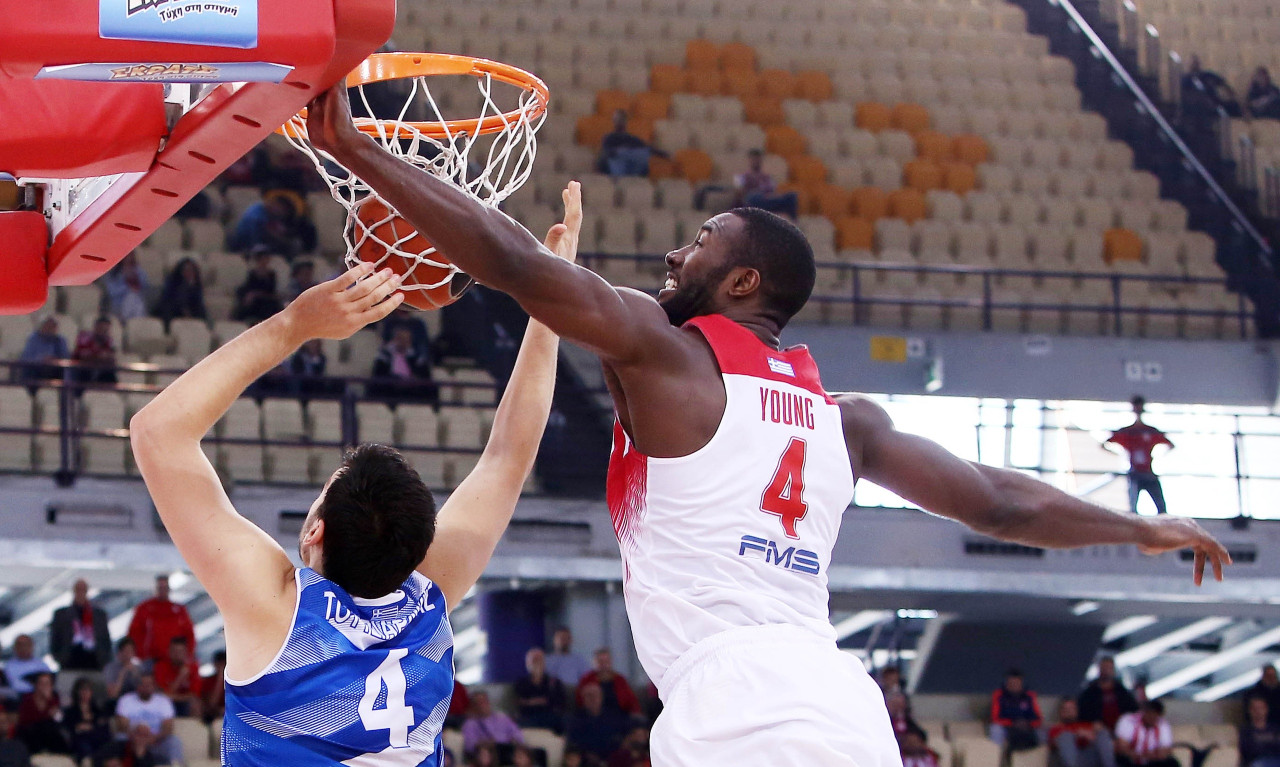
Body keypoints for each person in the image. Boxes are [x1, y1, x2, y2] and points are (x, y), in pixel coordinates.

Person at [306, 81, 1231, 767]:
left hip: (734, 702)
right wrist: (1139, 525)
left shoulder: (668, 360)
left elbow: (509, 260)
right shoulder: (848, 420)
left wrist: (356, 147)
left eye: (700, 242)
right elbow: (1000, 503)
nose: (676, 252)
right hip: (843, 707)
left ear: (743, 282)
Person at [127, 183, 581, 765]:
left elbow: (157, 431)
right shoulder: (429, 596)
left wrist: (297, 323)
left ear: (314, 531)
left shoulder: (276, 608)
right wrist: (551, 297)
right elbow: (508, 456)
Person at [1105, 397, 1173, 515]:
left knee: (1160, 508)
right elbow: (1106, 443)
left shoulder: (1148, 431)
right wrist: (1121, 454)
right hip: (1135, 473)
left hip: (1147, 473)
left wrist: (1156, 456)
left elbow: (1169, 445)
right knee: (1133, 510)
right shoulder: (1128, 432)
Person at [113, 672, 180, 765]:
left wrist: (152, 739)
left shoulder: (164, 701)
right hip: (132, 740)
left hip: (156, 741)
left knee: (174, 741)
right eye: (142, 684)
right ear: (137, 686)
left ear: (154, 686)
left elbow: (168, 728)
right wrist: (137, 739)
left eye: (149, 685)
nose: (146, 688)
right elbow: (122, 726)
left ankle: (176, 764)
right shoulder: (126, 700)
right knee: (119, 737)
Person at [226, 190, 317, 258]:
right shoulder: (256, 213)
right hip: (246, 246)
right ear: (275, 203)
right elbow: (256, 232)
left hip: (267, 247)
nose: (282, 212)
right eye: (282, 208)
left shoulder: (274, 217)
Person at [127, 575, 195, 665]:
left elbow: (189, 633)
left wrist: (187, 655)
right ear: (155, 589)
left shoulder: (179, 610)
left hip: (174, 661)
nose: (162, 590)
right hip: (151, 660)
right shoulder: (144, 608)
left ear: (169, 589)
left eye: (165, 587)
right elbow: (134, 632)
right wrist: (139, 655)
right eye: (160, 587)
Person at [49, 579, 112, 672]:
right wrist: (59, 657)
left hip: (94, 662)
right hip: (69, 662)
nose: (81, 593)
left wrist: (104, 658)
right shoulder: (61, 614)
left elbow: (105, 639)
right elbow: (55, 638)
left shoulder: (99, 615)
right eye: (78, 589)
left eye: (83, 590)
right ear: (74, 591)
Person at [564, 683, 628, 767]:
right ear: (583, 699)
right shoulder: (575, 719)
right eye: (589, 696)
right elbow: (574, 742)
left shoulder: (613, 717)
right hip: (585, 760)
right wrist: (587, 755)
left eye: (595, 695)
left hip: (611, 758)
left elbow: (619, 738)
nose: (592, 699)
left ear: (601, 697)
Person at [369, 325, 437, 403]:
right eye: (401, 339)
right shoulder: (384, 357)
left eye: (407, 340)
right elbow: (379, 376)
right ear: (395, 339)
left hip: (411, 390)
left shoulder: (416, 358)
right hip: (391, 390)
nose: (404, 342)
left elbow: (424, 376)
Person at [1079, 656, 1140, 733]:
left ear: (1113, 670)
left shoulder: (1122, 692)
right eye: (1103, 668)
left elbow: (1133, 711)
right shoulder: (1089, 693)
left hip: (1121, 731)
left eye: (1108, 668)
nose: (1106, 671)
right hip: (1098, 732)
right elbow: (1083, 714)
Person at [734, 149, 799, 219]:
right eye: (754, 159)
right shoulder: (742, 177)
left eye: (758, 159)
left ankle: (793, 223)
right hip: (753, 201)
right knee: (753, 196)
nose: (756, 162)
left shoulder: (767, 177)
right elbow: (739, 194)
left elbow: (773, 191)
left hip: (767, 200)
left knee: (792, 196)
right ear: (749, 160)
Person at [596, 111, 664, 178]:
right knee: (621, 154)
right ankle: (623, 179)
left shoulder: (631, 138)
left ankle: (633, 180)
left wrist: (663, 154)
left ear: (626, 122)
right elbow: (608, 152)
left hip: (632, 168)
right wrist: (622, 150)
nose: (619, 122)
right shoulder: (609, 138)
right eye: (617, 119)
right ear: (613, 121)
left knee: (643, 153)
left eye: (621, 120)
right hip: (616, 167)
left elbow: (647, 148)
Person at [575, 648, 640, 717]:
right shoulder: (587, 680)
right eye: (600, 661)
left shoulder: (620, 680)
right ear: (594, 663)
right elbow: (580, 702)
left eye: (606, 661)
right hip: (594, 716)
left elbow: (632, 701)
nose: (604, 665)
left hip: (619, 716)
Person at [515, 647, 567, 732]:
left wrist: (533, 702)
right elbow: (521, 705)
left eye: (540, 660)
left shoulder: (554, 682)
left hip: (550, 717)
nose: (537, 663)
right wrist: (539, 702)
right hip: (529, 718)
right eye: (534, 660)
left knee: (563, 720)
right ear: (528, 664)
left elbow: (560, 703)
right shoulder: (521, 683)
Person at [15, 672, 67, 755]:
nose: (44, 686)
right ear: (36, 684)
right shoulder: (27, 698)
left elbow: (59, 719)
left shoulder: (54, 698)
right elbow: (25, 720)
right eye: (41, 683)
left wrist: (49, 700)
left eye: (47, 683)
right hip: (30, 732)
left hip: (48, 733)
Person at [1052, 698, 1115, 767]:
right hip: (1070, 759)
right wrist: (1076, 735)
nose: (1068, 711)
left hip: (1091, 757)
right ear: (1060, 712)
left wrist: (1091, 736)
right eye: (1065, 709)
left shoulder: (1087, 725)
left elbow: (1106, 741)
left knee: (1103, 733)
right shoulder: (1056, 728)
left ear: (1077, 710)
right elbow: (1054, 744)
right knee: (1065, 736)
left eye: (1071, 708)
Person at [460, 691, 524, 758]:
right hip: (487, 756)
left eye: (485, 701)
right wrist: (484, 744)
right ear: (473, 706)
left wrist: (513, 741)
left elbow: (518, 735)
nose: (483, 705)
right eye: (479, 703)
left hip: (507, 752)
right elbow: (469, 746)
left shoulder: (503, 718)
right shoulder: (470, 724)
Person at [990, 669, 1043, 750]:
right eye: (1011, 683)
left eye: (1016, 683)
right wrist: (1012, 723)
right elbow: (995, 718)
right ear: (1007, 683)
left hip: (1027, 727)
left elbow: (1038, 719)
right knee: (995, 729)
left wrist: (1027, 724)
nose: (1014, 685)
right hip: (1006, 726)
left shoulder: (1030, 695)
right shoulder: (998, 694)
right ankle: (997, 759)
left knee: (1041, 732)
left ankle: (1037, 760)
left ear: (1021, 683)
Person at [63, 677, 111, 765]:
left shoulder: (98, 710)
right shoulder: (70, 711)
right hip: (80, 744)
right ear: (77, 692)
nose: (85, 693)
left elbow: (104, 729)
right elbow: (70, 729)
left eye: (88, 690)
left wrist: (89, 728)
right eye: (82, 690)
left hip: (97, 741)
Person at [1114, 701, 1177, 767]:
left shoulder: (1163, 725)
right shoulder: (1128, 721)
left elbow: (1165, 750)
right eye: (1149, 713)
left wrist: (1150, 755)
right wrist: (1138, 755)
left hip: (1151, 761)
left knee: (1172, 762)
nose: (1152, 717)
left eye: (1155, 714)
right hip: (1131, 761)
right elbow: (1122, 747)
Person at [151, 637, 201, 719]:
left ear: (186, 652)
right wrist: (180, 677)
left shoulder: (193, 667)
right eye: (174, 651)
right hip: (167, 702)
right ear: (169, 651)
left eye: (180, 651)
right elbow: (163, 694)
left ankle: (195, 729)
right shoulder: (161, 666)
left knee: (195, 704)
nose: (177, 654)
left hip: (184, 701)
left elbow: (194, 694)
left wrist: (175, 697)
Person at [234, 248, 284, 325]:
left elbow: (271, 291)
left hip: (267, 301)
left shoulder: (271, 275)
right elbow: (248, 288)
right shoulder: (252, 274)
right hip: (255, 302)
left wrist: (257, 294)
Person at [154, 258, 207, 324]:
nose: (189, 273)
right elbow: (169, 303)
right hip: (171, 316)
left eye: (192, 270)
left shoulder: (196, 289)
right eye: (187, 270)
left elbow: (198, 308)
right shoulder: (171, 287)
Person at [17, 317, 68, 385]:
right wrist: (41, 359)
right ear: (42, 326)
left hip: (54, 371)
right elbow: (25, 357)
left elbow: (66, 357)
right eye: (48, 326)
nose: (50, 329)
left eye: (53, 326)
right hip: (36, 370)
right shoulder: (33, 339)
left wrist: (54, 360)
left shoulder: (60, 340)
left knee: (66, 374)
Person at [3, 637, 52, 702]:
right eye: (20, 645)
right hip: (15, 699)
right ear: (15, 647)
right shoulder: (8, 666)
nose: (23, 648)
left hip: (38, 699)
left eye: (26, 645)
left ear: (32, 646)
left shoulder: (41, 665)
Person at [104, 254, 150, 322]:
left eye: (130, 255)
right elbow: (111, 291)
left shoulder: (138, 270)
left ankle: (138, 323)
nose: (128, 258)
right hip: (118, 304)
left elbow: (146, 286)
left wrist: (136, 275)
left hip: (137, 301)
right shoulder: (113, 272)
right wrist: (127, 286)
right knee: (131, 297)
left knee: (134, 298)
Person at [1241, 696, 1280, 767]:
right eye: (1255, 709)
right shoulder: (1246, 731)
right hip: (1257, 762)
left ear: (1266, 709)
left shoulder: (1275, 729)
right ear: (1249, 710)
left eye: (1261, 708)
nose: (1258, 711)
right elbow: (1248, 751)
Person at [102, 638, 144, 702]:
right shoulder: (110, 668)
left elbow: (145, 691)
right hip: (117, 701)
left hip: (136, 702)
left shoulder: (138, 667)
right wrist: (123, 673)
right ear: (120, 652)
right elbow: (113, 694)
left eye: (131, 651)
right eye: (126, 651)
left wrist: (135, 674)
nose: (129, 655)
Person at [199, 651, 226, 725]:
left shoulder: (236, 681)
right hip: (212, 717)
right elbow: (211, 704)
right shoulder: (208, 681)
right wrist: (220, 679)